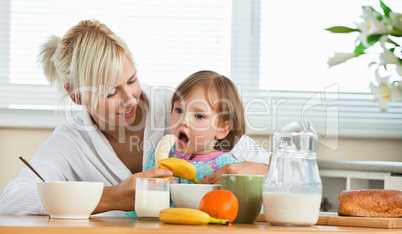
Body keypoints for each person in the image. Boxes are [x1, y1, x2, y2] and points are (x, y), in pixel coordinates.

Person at [0, 20, 269, 216]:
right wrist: (110, 198)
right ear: (77, 97)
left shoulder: (176, 107)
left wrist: (252, 170)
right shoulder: (71, 141)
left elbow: (271, 166)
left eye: (132, 80)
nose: (130, 98)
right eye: (110, 92)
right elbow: (12, 200)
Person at [144, 71, 245, 183]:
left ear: (222, 129)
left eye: (199, 116)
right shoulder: (162, 157)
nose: (183, 121)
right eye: (179, 110)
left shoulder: (227, 169)